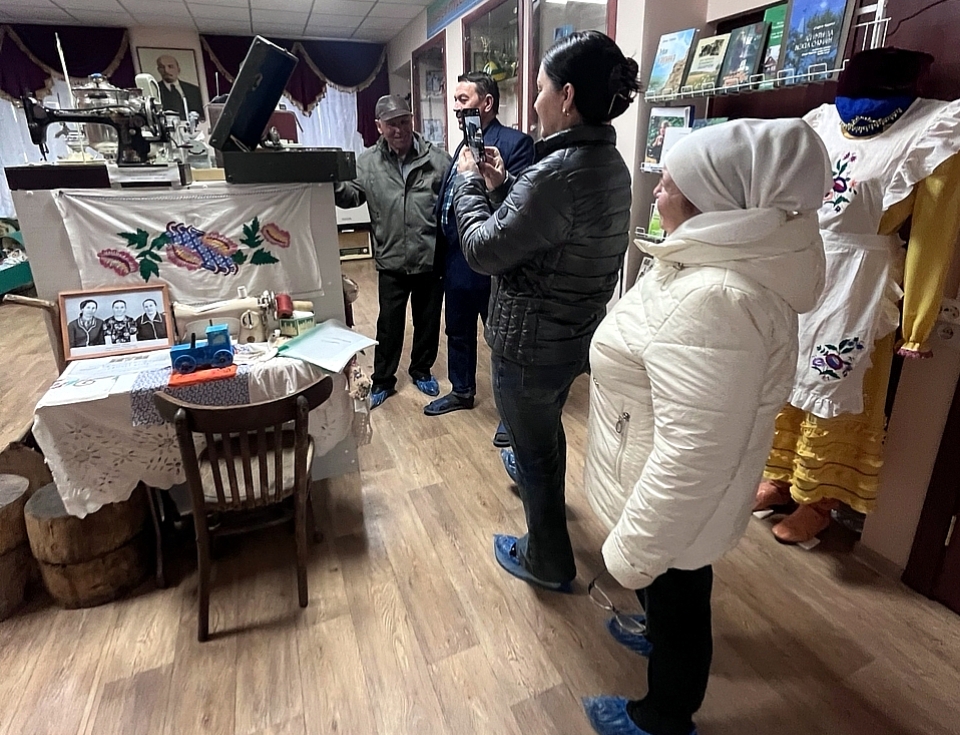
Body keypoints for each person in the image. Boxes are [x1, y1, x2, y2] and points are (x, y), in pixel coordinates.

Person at [579, 119, 829, 735]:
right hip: (668, 497)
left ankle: (663, 717)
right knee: (675, 593)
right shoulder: (704, 262)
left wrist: (632, 552)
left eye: (668, 183)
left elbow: (694, 456)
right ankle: (659, 636)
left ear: (711, 202)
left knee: (680, 595)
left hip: (676, 503)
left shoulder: (717, 297)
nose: (656, 192)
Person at [453, 31, 639, 592]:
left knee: (534, 453)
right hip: (572, 337)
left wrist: (468, 185)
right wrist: (504, 186)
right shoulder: (608, 164)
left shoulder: (555, 174)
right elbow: (552, 233)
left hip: (529, 345)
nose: (534, 102)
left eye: (539, 89)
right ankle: (546, 520)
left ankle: (548, 561)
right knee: (543, 436)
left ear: (567, 96)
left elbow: (482, 251)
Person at [424, 71, 535, 444]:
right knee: (457, 329)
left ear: (486, 103)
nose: (456, 108)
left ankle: (512, 414)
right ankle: (461, 390)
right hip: (457, 257)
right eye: (455, 100)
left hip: (493, 261)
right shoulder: (462, 145)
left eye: (463, 100)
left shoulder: (515, 144)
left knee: (502, 342)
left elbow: (520, 205)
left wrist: (494, 178)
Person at [336, 95, 452, 408]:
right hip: (391, 259)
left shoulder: (438, 160)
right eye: (391, 124)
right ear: (379, 127)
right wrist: (329, 181)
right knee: (389, 325)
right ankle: (384, 380)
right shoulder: (367, 163)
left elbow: (453, 202)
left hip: (429, 257)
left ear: (412, 120)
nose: (398, 129)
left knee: (428, 322)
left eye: (403, 121)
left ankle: (421, 370)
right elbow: (350, 197)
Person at [156, 55, 204, 121]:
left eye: (170, 66)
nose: (166, 71)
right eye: (162, 67)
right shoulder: (154, 90)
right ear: (158, 70)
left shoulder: (194, 90)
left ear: (178, 69)